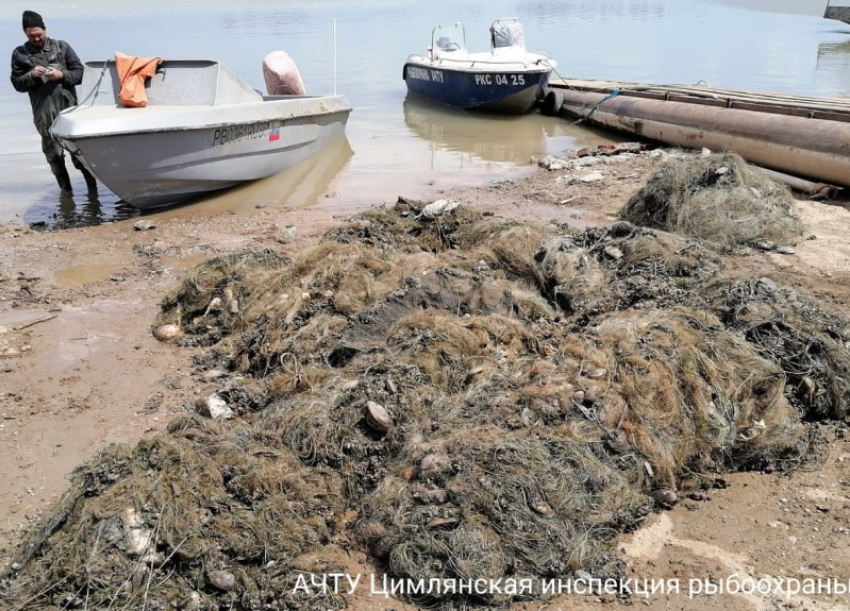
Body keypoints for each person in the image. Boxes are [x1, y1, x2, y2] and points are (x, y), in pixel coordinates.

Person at [10, 10, 96, 195]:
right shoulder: (20, 54)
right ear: (26, 34)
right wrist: (31, 75)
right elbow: (17, 84)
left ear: (45, 30)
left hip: (70, 113)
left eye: (39, 34)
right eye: (31, 36)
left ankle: (93, 192)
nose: (36, 39)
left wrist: (61, 75)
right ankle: (67, 195)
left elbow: (80, 73)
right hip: (44, 115)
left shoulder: (62, 47)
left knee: (81, 156)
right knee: (55, 158)